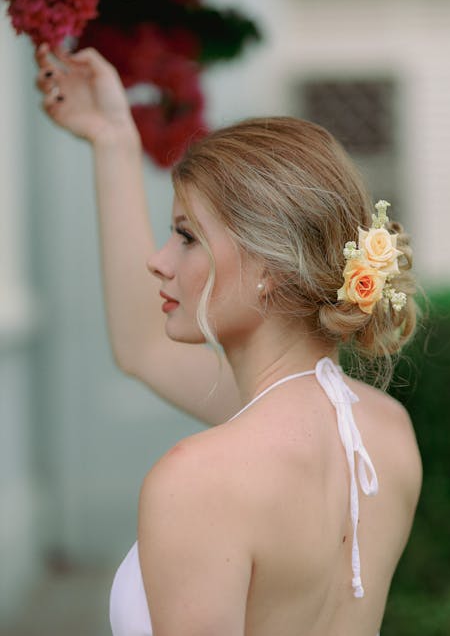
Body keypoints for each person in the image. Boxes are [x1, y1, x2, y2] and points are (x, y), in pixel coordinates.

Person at [34, 42, 422, 636]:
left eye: (186, 237)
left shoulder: (197, 478)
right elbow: (143, 346)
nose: (159, 263)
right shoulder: (387, 433)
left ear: (270, 269)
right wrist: (114, 138)